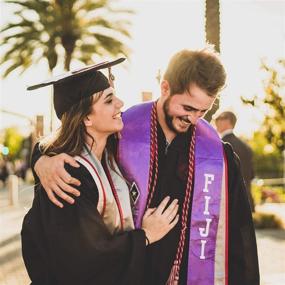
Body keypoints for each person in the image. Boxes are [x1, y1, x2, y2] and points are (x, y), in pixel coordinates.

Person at [31, 48, 260, 285]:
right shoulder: (121, 132)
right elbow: (69, 140)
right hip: (124, 274)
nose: (194, 119)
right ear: (165, 88)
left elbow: (239, 239)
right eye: (188, 108)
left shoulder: (217, 156)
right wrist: (40, 160)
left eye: (204, 111)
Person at [21, 58, 179, 285]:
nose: (120, 104)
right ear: (86, 117)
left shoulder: (111, 153)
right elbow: (84, 259)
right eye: (109, 100)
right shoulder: (68, 176)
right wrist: (145, 236)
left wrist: (39, 159)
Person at [215, 111, 255, 212]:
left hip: (228, 202)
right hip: (246, 201)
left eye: (219, 118)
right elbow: (251, 175)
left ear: (228, 121)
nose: (216, 121)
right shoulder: (246, 147)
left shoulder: (221, 145)